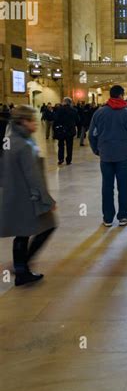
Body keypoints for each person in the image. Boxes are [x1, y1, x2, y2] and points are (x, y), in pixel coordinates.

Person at [0, 106, 56, 286]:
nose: (36, 124)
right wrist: (47, 200)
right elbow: (34, 177)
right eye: (33, 120)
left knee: (21, 233)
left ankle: (21, 268)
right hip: (28, 197)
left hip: (14, 194)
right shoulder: (24, 145)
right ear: (23, 121)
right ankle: (22, 269)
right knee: (47, 226)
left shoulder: (10, 140)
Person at [89, 85, 127, 227]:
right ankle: (123, 216)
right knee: (123, 186)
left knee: (107, 186)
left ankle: (107, 218)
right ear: (121, 96)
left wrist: (97, 150)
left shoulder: (99, 113)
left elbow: (92, 134)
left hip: (105, 155)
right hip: (123, 155)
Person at [53, 97, 78, 166]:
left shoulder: (59, 110)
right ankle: (68, 160)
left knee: (61, 145)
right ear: (70, 103)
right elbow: (77, 120)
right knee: (69, 146)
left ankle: (61, 159)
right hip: (70, 131)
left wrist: (55, 130)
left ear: (64, 102)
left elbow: (56, 120)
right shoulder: (74, 110)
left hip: (61, 130)